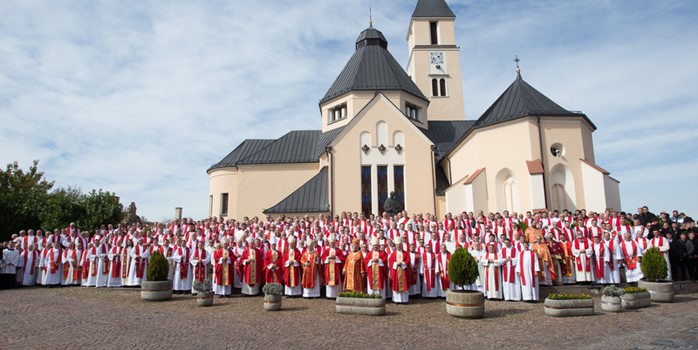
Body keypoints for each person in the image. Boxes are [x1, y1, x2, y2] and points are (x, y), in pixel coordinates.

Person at [389, 236, 411, 304]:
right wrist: (396, 264)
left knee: (404, 284)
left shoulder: (405, 253)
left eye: (400, 245)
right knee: (396, 284)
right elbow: (390, 262)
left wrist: (402, 263)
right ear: (395, 246)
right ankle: (397, 300)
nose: (398, 246)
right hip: (396, 272)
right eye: (397, 245)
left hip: (404, 272)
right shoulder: (393, 254)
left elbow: (408, 260)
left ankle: (404, 300)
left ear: (402, 245)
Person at [322, 234, 344, 299]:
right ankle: (329, 295)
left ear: (335, 243)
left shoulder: (339, 250)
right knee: (329, 280)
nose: (332, 244)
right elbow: (323, 258)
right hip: (328, 268)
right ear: (329, 243)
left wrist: (336, 257)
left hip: (336, 268)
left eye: (333, 243)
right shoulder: (326, 250)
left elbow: (342, 258)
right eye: (331, 243)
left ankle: (335, 295)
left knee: (336, 281)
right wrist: (328, 258)